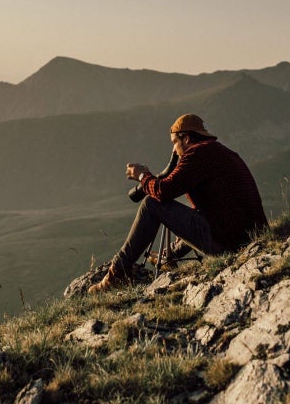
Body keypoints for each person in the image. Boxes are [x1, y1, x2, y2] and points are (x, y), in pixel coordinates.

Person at [89, 114, 267, 293]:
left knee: (152, 203)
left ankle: (116, 274)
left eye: (175, 142)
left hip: (228, 244)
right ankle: (170, 255)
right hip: (249, 237)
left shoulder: (197, 153)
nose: (174, 149)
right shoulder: (220, 152)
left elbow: (162, 192)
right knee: (195, 211)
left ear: (186, 138)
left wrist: (142, 176)